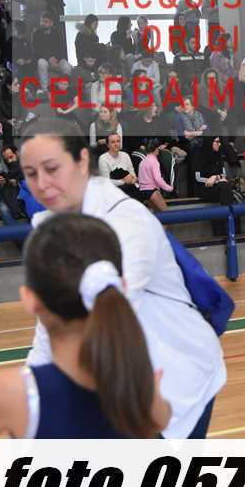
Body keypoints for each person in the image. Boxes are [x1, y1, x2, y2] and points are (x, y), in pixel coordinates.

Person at [0, 212, 171, 487]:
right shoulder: (138, 380)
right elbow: (159, 421)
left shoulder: (16, 393)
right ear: (120, 286)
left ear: (29, 299)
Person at [19, 119, 226, 442]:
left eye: (52, 168)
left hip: (176, 375)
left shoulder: (126, 221)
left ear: (82, 160)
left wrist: (25, 400)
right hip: (125, 378)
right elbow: (51, 326)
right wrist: (28, 391)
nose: (42, 184)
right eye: (31, 174)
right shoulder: (50, 227)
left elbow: (102, 318)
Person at [32, 11, 71, 92]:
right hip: (44, 59)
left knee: (67, 66)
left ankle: (65, 88)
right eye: (41, 21)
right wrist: (49, 58)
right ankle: (45, 89)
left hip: (57, 59)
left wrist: (56, 58)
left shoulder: (57, 33)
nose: (42, 23)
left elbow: (61, 48)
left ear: (51, 23)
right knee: (41, 63)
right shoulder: (36, 33)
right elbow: (37, 49)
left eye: (45, 22)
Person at [0, 144, 26, 226]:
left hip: (23, 194)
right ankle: (15, 232)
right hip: (6, 195)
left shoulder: (26, 160)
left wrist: (17, 181)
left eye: (11, 157)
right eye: (6, 159)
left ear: (17, 153)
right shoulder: (3, 164)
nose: (9, 161)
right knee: (3, 209)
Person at [98, 133, 139, 200]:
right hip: (113, 191)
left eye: (118, 141)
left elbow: (132, 173)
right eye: (113, 142)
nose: (116, 144)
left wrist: (133, 179)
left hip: (130, 188)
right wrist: (123, 181)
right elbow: (106, 182)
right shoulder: (103, 158)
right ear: (108, 145)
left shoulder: (125, 155)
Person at [137, 138, 174, 211]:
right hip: (152, 191)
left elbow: (140, 178)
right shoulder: (154, 162)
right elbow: (158, 179)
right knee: (167, 214)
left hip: (143, 192)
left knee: (157, 215)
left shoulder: (142, 162)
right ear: (156, 149)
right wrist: (169, 188)